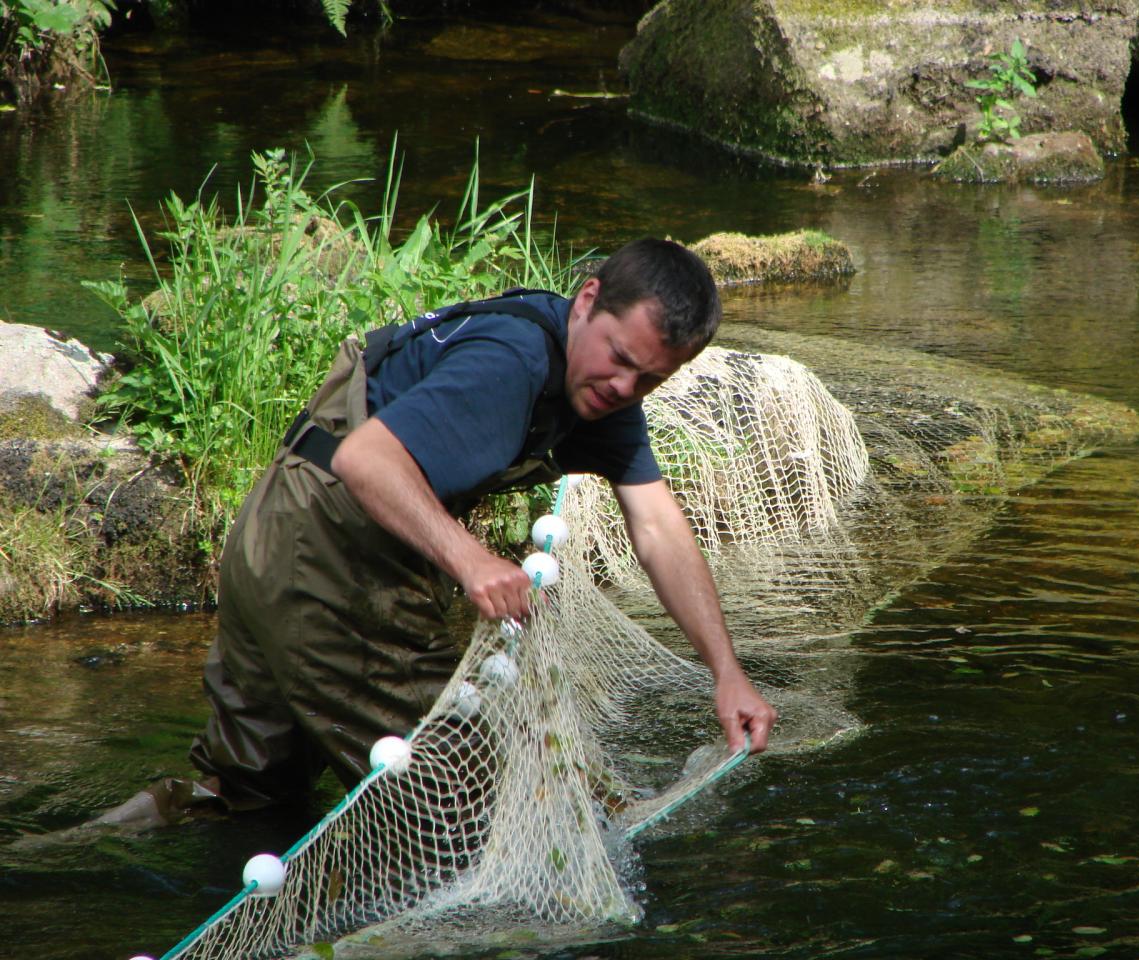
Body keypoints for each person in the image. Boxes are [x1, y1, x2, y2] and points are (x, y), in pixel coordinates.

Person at [97, 237, 777, 828]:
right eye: (619, 357)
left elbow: (656, 524)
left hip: (275, 539)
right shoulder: (512, 361)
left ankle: (78, 848)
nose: (623, 386)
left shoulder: (599, 387)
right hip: (329, 555)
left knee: (247, 797)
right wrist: (470, 559)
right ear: (588, 299)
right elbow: (366, 459)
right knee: (473, 787)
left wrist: (727, 674)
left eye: (649, 379)